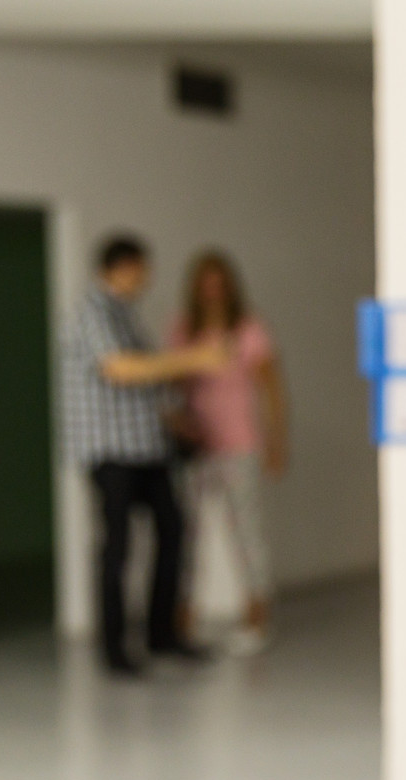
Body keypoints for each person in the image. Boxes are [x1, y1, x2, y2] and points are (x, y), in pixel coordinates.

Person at [61, 234, 223, 676]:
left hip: (147, 447)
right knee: (117, 549)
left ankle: (162, 635)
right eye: (141, 270)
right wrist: (194, 359)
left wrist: (178, 421)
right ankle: (114, 650)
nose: (145, 279)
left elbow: (147, 381)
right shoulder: (92, 311)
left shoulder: (126, 315)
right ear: (122, 267)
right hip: (111, 452)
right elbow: (119, 369)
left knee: (173, 532)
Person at [168, 251, 288, 653]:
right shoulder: (184, 329)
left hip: (239, 442)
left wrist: (277, 440)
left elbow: (271, 386)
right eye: (205, 282)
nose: (212, 290)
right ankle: (183, 614)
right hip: (197, 445)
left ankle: (256, 613)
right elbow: (172, 381)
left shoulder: (248, 329)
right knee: (187, 533)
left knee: (246, 529)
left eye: (219, 282)